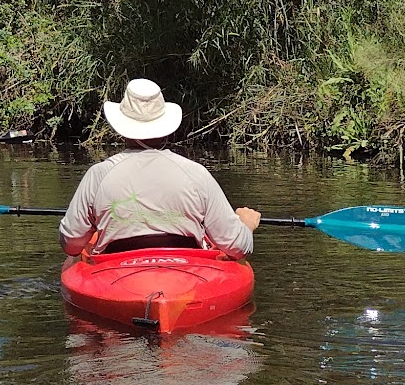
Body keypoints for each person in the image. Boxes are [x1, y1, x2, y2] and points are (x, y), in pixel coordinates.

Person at [58, 78, 261, 257]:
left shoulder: (98, 175)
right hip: (187, 275)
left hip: (114, 272)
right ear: (165, 129)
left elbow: (71, 244)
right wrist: (246, 225)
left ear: (121, 129)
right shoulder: (196, 174)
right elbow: (238, 247)